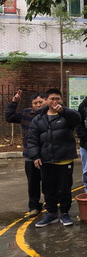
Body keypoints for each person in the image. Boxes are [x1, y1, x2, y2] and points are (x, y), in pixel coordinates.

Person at [28, 88, 81, 227]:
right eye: (52, 99)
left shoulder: (66, 115)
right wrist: (35, 156)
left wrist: (63, 111)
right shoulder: (38, 118)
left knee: (65, 188)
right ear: (46, 100)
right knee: (48, 188)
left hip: (64, 159)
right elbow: (32, 139)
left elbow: (77, 118)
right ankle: (51, 214)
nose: (55, 101)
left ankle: (64, 213)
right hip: (46, 160)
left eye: (57, 98)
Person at [4, 90, 46, 218]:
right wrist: (14, 102)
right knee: (33, 182)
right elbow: (9, 117)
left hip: (47, 154)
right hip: (30, 155)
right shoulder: (26, 114)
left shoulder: (51, 113)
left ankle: (51, 204)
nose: (38, 105)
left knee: (49, 182)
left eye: (41, 102)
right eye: (35, 103)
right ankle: (33, 206)